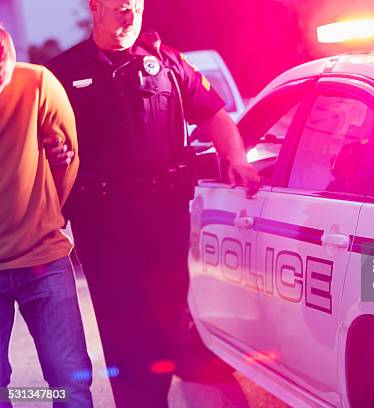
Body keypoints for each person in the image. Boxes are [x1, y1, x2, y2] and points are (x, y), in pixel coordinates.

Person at [46, 1, 260, 406]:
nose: (129, 18)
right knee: (122, 330)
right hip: (102, 225)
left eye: (135, 10)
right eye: (120, 9)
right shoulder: (62, 73)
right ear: (95, 7)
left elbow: (215, 115)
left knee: (167, 324)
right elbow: (40, 136)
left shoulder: (167, 64)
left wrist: (236, 159)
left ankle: (156, 396)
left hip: (164, 220)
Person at [0, 26, 93, 407]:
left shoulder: (38, 83)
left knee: (68, 384)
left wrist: (41, 215)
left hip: (43, 259)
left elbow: (66, 162)